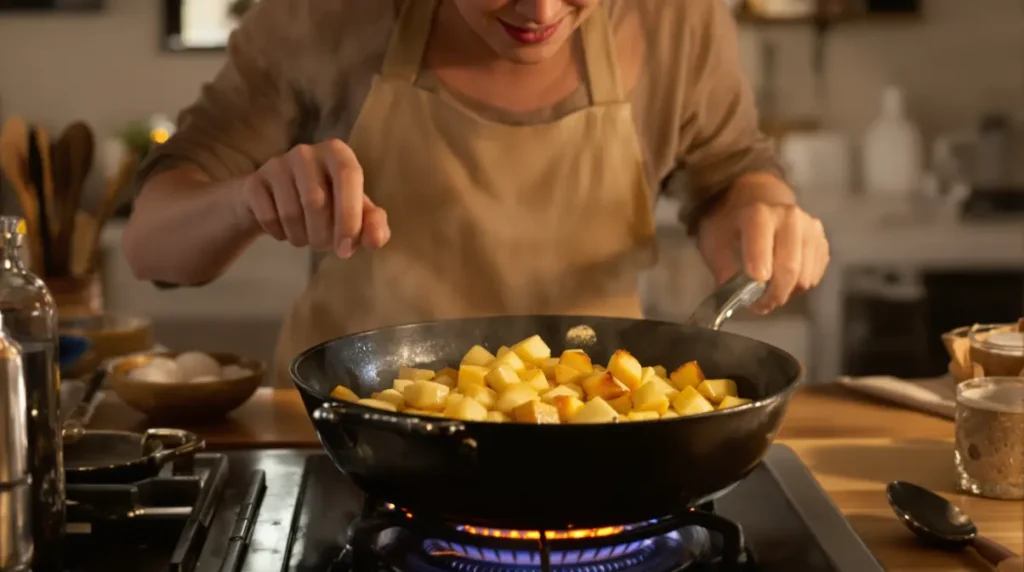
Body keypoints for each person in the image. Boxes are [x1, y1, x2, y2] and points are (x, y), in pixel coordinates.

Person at [123, 0, 830, 386]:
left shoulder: (679, 19)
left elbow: (728, 174)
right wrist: (247, 198)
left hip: (593, 426)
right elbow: (153, 246)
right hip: (354, 436)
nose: (541, 12)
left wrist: (761, 214)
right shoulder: (322, 17)